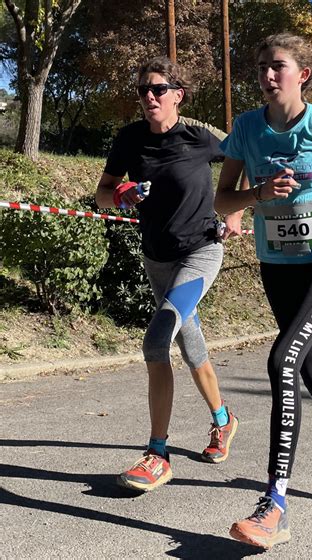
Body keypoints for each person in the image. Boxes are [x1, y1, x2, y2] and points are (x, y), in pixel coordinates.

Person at [215, 34, 312, 549]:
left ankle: (274, 504)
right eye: (261, 67)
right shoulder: (246, 129)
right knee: (310, 367)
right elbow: (223, 198)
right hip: (277, 265)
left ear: (301, 74)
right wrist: (252, 198)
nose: (266, 75)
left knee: (282, 360)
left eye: (276, 66)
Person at [96, 56, 241, 492]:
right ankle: (223, 419)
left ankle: (157, 453)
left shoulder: (199, 138)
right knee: (189, 340)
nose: (150, 97)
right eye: (143, 91)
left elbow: (243, 159)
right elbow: (102, 194)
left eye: (159, 89)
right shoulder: (129, 140)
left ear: (178, 95)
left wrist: (233, 210)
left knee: (157, 339)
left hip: (199, 253)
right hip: (157, 259)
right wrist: (121, 195)